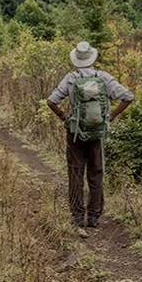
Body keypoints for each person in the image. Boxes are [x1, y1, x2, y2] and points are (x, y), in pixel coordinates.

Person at [46, 41, 133, 235]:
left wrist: (64, 117)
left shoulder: (70, 78)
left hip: (75, 133)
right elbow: (128, 97)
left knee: (76, 174)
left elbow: (51, 101)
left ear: (76, 59)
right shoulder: (103, 77)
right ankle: (94, 216)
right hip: (97, 133)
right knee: (96, 173)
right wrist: (110, 117)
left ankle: (77, 216)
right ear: (92, 58)